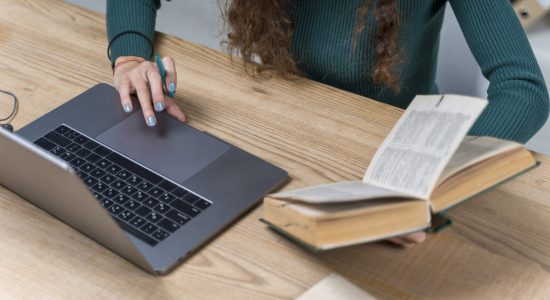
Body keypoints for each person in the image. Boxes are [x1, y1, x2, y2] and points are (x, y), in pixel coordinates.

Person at [106, 0, 549, 247]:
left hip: (389, 154)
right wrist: (130, 56)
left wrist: (427, 181)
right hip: (277, 135)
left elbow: (524, 89)